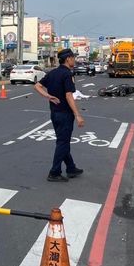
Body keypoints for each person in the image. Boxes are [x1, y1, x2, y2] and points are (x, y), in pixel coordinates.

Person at [34, 49, 85, 182]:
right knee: (63, 143)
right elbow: (69, 95)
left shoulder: (53, 73)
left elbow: (37, 86)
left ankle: (71, 168)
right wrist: (77, 114)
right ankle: (54, 172)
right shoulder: (67, 74)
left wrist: (48, 96)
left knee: (63, 141)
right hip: (65, 114)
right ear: (68, 59)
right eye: (73, 57)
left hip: (55, 113)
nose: (75, 59)